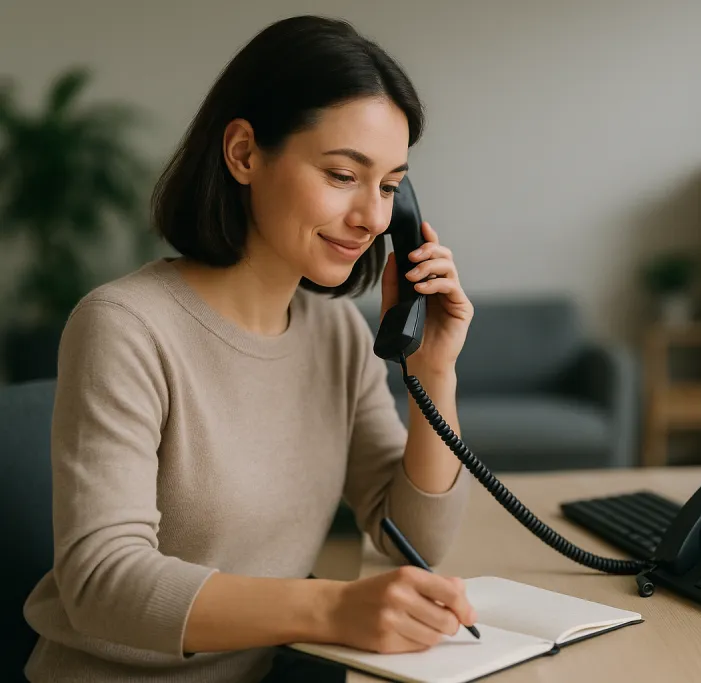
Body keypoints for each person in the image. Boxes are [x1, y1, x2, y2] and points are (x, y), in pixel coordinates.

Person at [22, 15, 478, 682]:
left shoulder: (338, 336)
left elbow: (416, 536)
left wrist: (433, 368)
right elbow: (102, 581)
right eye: (343, 175)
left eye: (388, 186)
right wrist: (329, 606)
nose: (375, 219)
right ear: (243, 154)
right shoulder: (125, 325)